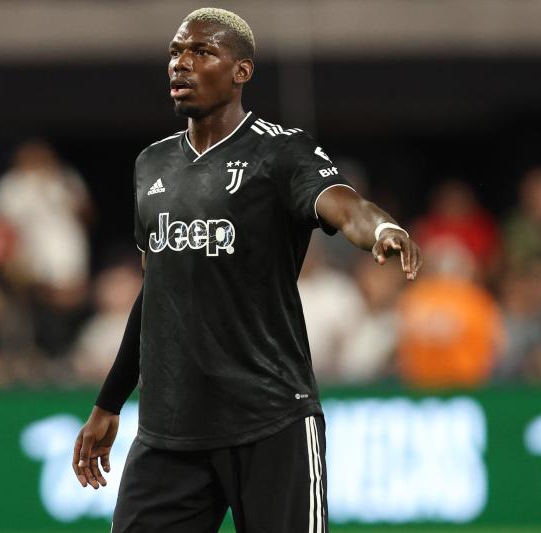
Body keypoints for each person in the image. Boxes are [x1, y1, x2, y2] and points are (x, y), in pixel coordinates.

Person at [71, 8, 422, 533]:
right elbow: (156, 293)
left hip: (270, 420)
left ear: (241, 71)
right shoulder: (152, 165)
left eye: (202, 52)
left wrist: (381, 230)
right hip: (170, 434)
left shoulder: (280, 152)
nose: (181, 64)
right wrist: (110, 401)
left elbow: (343, 204)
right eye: (175, 52)